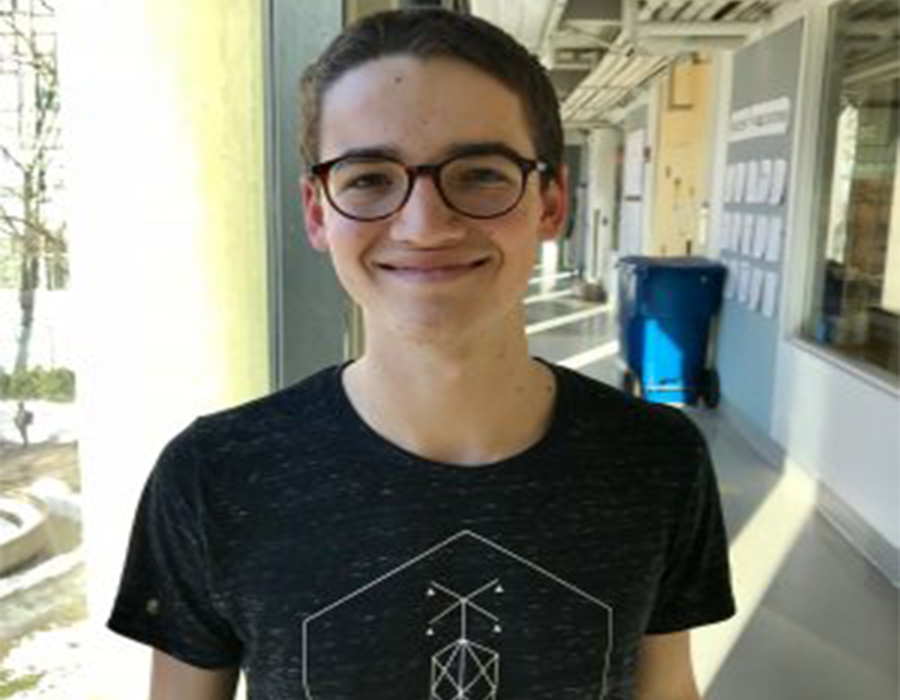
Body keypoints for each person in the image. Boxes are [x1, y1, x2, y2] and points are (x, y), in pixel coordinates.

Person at [108, 8, 735, 700]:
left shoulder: (656, 463)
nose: (425, 224)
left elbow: (668, 690)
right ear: (318, 212)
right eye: (369, 178)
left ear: (551, 202)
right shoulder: (214, 478)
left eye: (481, 174)